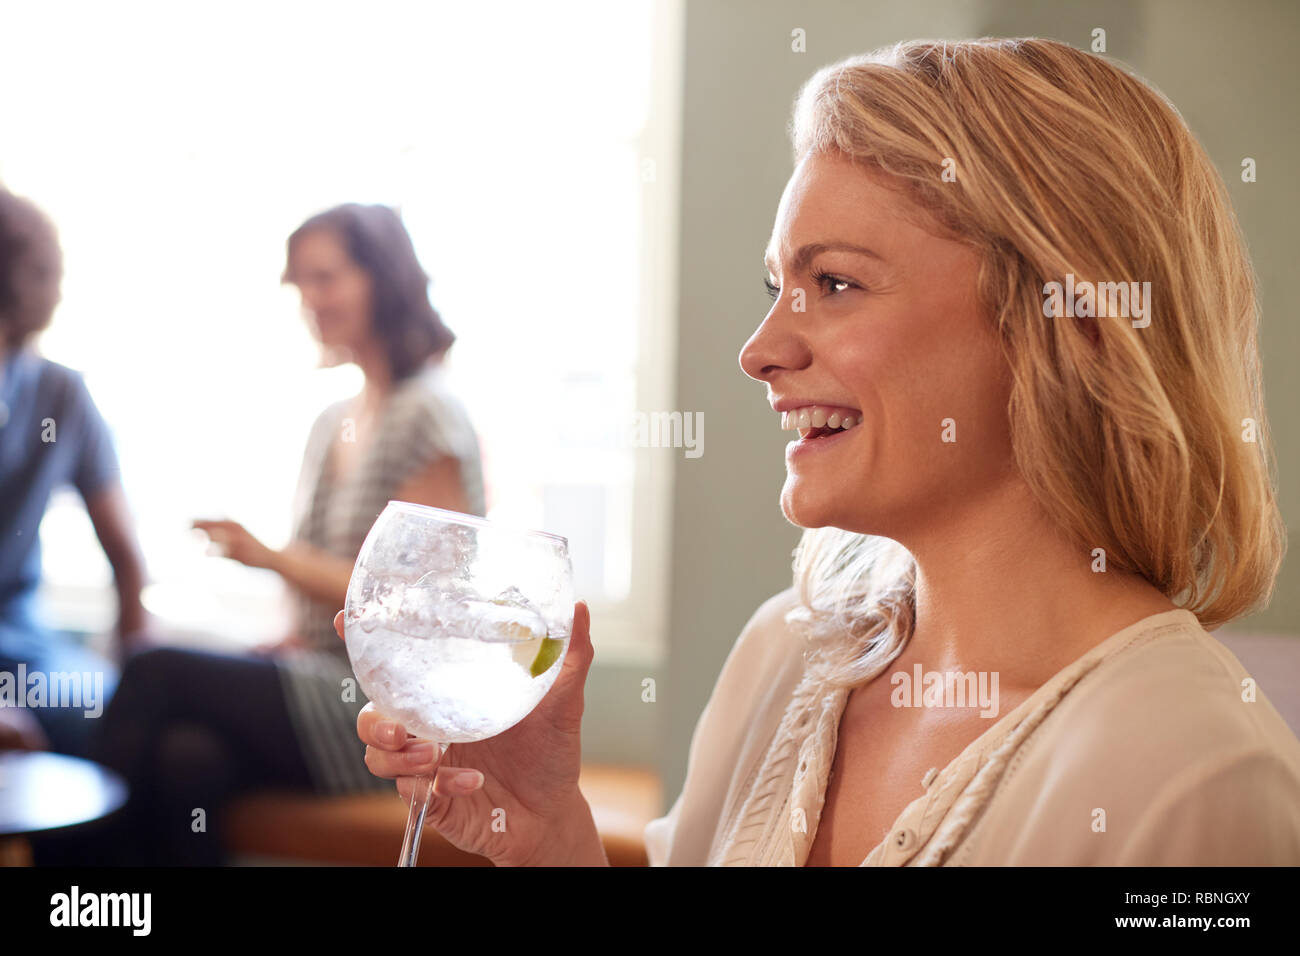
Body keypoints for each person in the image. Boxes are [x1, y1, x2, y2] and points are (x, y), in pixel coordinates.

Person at [339, 38, 1300, 866]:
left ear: (1066, 322)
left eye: (835, 283)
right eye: (777, 284)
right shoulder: (788, 652)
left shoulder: (1196, 774)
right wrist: (549, 834)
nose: (760, 352)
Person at [88, 203, 485, 865]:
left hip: (378, 706)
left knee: (152, 669)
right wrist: (291, 635)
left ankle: (75, 895)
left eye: (324, 278)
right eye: (300, 283)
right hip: (314, 671)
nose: (309, 299)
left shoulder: (430, 415)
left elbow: (424, 605)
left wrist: (271, 558)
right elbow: (330, 590)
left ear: (381, 280)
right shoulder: (335, 420)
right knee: (187, 758)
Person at [0, 188, 151, 759]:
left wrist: (142, 678)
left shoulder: (61, 394)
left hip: (24, 651)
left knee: (127, 727)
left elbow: (126, 557)